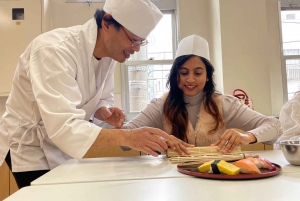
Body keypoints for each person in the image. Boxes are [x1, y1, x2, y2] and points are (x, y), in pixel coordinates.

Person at [0, 0, 191, 189]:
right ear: (107, 22)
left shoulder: (110, 54)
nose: (137, 49)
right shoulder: (54, 50)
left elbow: (102, 96)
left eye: (141, 42)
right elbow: (63, 126)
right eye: (133, 40)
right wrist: (128, 137)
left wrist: (103, 110)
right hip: (30, 145)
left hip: (61, 144)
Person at [123, 34, 282, 154]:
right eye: (184, 73)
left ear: (207, 77)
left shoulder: (224, 104)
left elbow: (275, 126)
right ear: (175, 76)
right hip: (172, 180)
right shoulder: (160, 105)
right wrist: (161, 140)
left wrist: (247, 137)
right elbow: (124, 139)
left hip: (215, 178)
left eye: (197, 73)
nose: (190, 79)